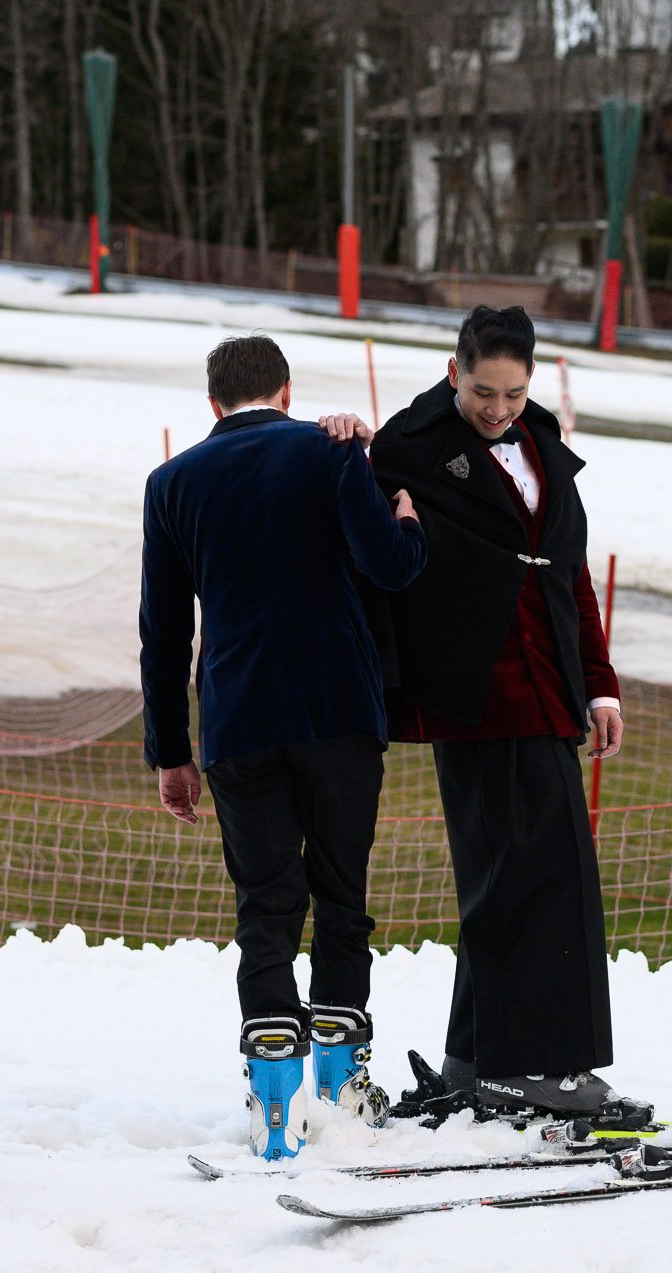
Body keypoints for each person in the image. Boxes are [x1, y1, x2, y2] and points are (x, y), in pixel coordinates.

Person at [322, 305, 628, 1118]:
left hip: (547, 691)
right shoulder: (408, 443)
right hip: (471, 694)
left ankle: (479, 1057)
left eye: (514, 394)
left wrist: (599, 683)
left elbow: (569, 572)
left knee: (537, 877)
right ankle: (540, 1066)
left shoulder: (543, 445)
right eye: (485, 391)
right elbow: (346, 512)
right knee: (521, 878)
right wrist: (339, 439)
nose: (498, 409)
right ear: (453, 370)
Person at [139, 334, 426, 1159]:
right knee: (342, 895)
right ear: (288, 391)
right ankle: (339, 1089)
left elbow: (165, 629)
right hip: (340, 712)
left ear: (213, 404)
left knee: (267, 907)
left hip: (239, 724)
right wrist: (405, 518)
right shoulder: (333, 452)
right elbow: (392, 566)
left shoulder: (172, 483)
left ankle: (274, 1107)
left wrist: (171, 751)